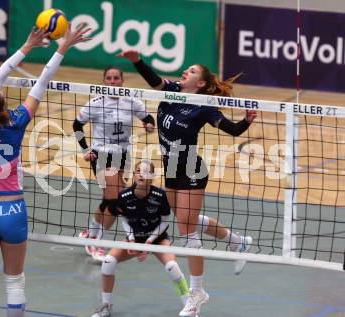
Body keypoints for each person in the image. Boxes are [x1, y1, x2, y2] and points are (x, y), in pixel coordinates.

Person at [119, 50, 257, 316]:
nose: (186, 71)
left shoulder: (203, 106)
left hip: (192, 169)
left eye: (192, 71)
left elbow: (232, 130)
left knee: (187, 230)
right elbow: (153, 80)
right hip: (172, 167)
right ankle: (237, 242)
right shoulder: (171, 90)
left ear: (201, 84)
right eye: (188, 69)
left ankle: (196, 295)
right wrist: (137, 61)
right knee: (184, 218)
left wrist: (246, 121)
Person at [0, 25, 90, 316]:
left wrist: (26, 45)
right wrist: (61, 48)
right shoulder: (17, 121)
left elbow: (0, 73)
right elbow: (43, 81)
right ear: (4, 105)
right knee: (15, 282)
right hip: (12, 211)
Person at [73, 66, 155, 262]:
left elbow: (147, 117)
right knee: (116, 200)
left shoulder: (131, 101)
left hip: (124, 155)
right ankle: (99, 243)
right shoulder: (96, 103)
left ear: (122, 80)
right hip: (102, 154)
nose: (112, 81)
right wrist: (86, 149)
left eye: (116, 78)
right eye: (108, 78)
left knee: (108, 198)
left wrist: (149, 124)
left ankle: (90, 235)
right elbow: (77, 125)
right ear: (104, 81)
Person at [91, 160, 189, 317]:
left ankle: (189, 306)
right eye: (138, 171)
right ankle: (106, 306)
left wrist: (149, 243)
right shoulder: (124, 196)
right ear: (134, 174)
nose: (141, 174)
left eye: (146, 171)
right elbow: (124, 219)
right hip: (135, 238)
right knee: (108, 262)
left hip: (157, 239)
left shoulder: (160, 195)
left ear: (152, 176)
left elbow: (165, 222)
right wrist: (131, 240)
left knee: (172, 266)